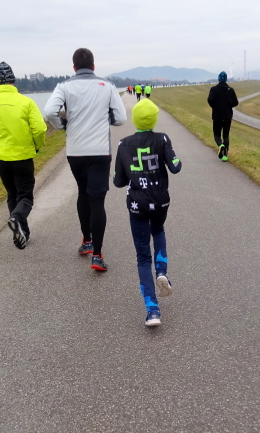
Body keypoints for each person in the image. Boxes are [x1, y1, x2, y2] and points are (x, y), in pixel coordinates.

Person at [44, 48, 127, 271]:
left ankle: (87, 241)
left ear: (74, 67)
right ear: (93, 66)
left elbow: (50, 111)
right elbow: (121, 118)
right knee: (97, 200)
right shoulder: (107, 86)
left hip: (76, 151)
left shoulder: (64, 86)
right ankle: (97, 256)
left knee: (83, 192)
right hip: (100, 151)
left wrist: (62, 125)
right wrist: (106, 119)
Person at [113, 99, 182, 327]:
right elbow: (175, 166)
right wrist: (173, 158)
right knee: (158, 229)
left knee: (143, 256)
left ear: (134, 119)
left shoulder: (124, 144)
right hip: (160, 201)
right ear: (154, 119)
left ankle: (152, 310)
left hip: (137, 204)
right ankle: (161, 271)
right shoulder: (162, 139)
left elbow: (118, 181)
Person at [0, 61, 47, 249]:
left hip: (1, 158)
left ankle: (22, 235)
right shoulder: (26, 102)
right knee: (25, 197)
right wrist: (37, 146)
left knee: (12, 194)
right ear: (13, 80)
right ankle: (17, 218)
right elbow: (40, 129)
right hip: (23, 156)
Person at [207, 71, 238, 162]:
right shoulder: (230, 90)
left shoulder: (213, 89)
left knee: (217, 135)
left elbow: (210, 100)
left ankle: (221, 145)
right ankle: (225, 156)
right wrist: (228, 106)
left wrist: (215, 106)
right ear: (226, 79)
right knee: (226, 135)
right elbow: (235, 102)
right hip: (227, 115)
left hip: (217, 115)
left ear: (218, 79)